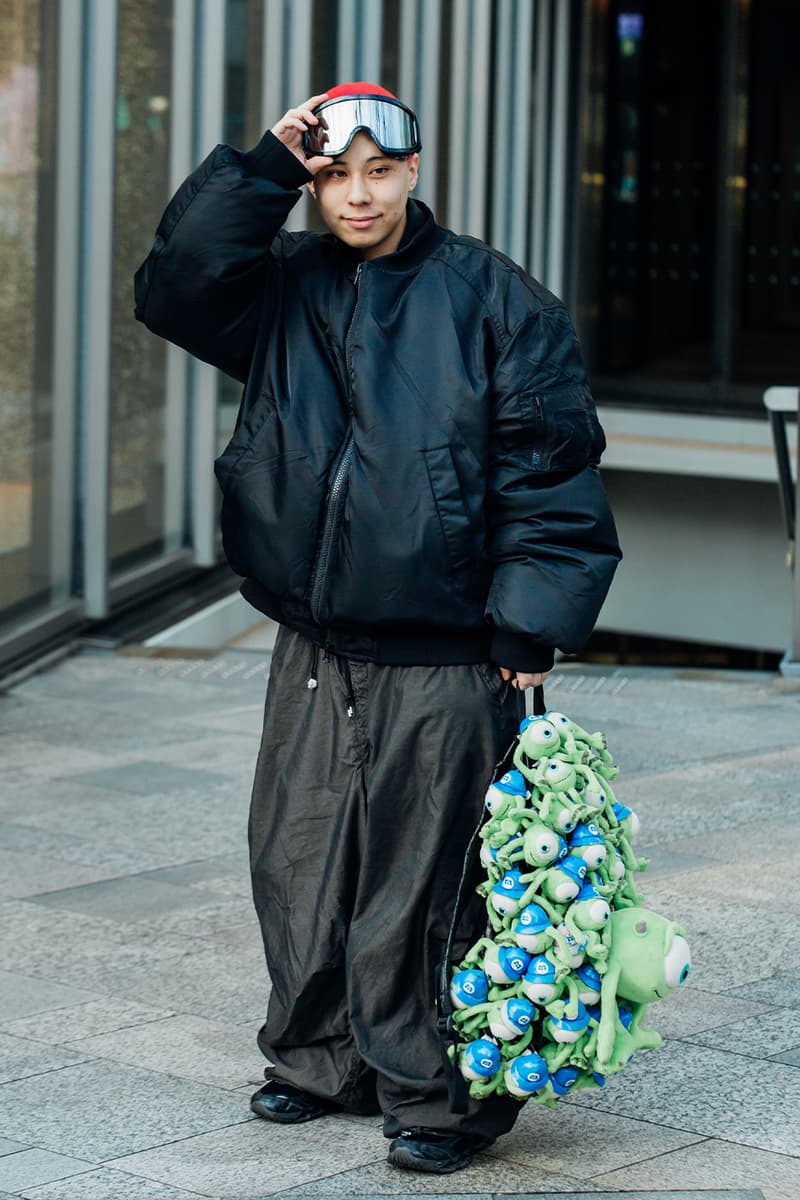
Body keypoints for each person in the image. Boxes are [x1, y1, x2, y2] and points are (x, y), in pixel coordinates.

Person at [134, 81, 621, 1174]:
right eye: (335, 175)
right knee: (297, 858)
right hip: (313, 638)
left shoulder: (496, 301)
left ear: (412, 173)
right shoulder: (284, 288)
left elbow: (550, 480)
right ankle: (318, 1059)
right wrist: (264, 165)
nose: (358, 195)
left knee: (426, 879)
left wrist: (524, 634)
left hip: (445, 647)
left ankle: (434, 1097)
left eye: (379, 171)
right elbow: (174, 290)